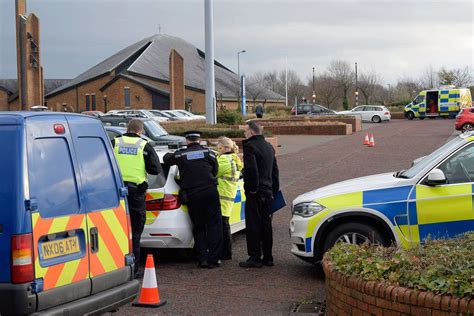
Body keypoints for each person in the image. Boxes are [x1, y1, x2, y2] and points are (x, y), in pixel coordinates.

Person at [163, 131, 223, 269]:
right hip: (210, 192)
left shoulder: (181, 155)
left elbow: (166, 158)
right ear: (199, 140)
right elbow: (215, 171)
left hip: (193, 195)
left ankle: (202, 259)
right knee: (214, 225)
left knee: (199, 226)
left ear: (187, 140)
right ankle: (214, 259)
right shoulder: (210, 153)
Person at [112, 119, 161, 276]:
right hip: (135, 193)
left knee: (114, 229)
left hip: (115, 192)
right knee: (135, 231)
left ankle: (114, 266)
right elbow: (155, 169)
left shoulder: (115, 142)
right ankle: (134, 269)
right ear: (140, 131)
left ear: (127, 129)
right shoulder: (143, 145)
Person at [239, 120, 279, 268]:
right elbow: (275, 171)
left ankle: (255, 257)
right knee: (266, 224)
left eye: (245, 130)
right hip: (268, 191)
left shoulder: (250, 147)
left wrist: (252, 189)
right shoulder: (269, 147)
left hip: (256, 192)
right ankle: (268, 257)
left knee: (253, 225)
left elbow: (251, 171)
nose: (244, 133)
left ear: (251, 131)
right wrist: (274, 190)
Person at [216, 137, 243, 260]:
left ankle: (226, 253)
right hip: (227, 195)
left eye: (219, 148)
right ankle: (226, 252)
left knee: (223, 226)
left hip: (222, 196)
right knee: (225, 225)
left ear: (226, 148)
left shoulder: (225, 160)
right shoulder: (233, 158)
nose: (218, 150)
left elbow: (213, 172)